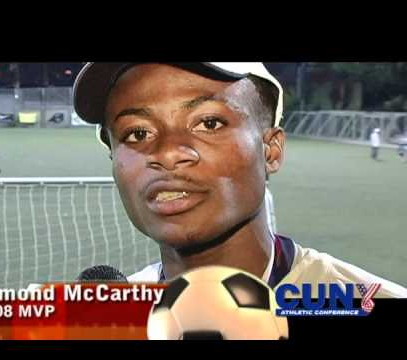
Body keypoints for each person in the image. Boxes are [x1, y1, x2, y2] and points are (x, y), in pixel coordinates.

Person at [73, 62, 407, 298]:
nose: (168, 152)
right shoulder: (110, 319)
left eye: (209, 123)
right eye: (137, 133)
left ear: (271, 151)